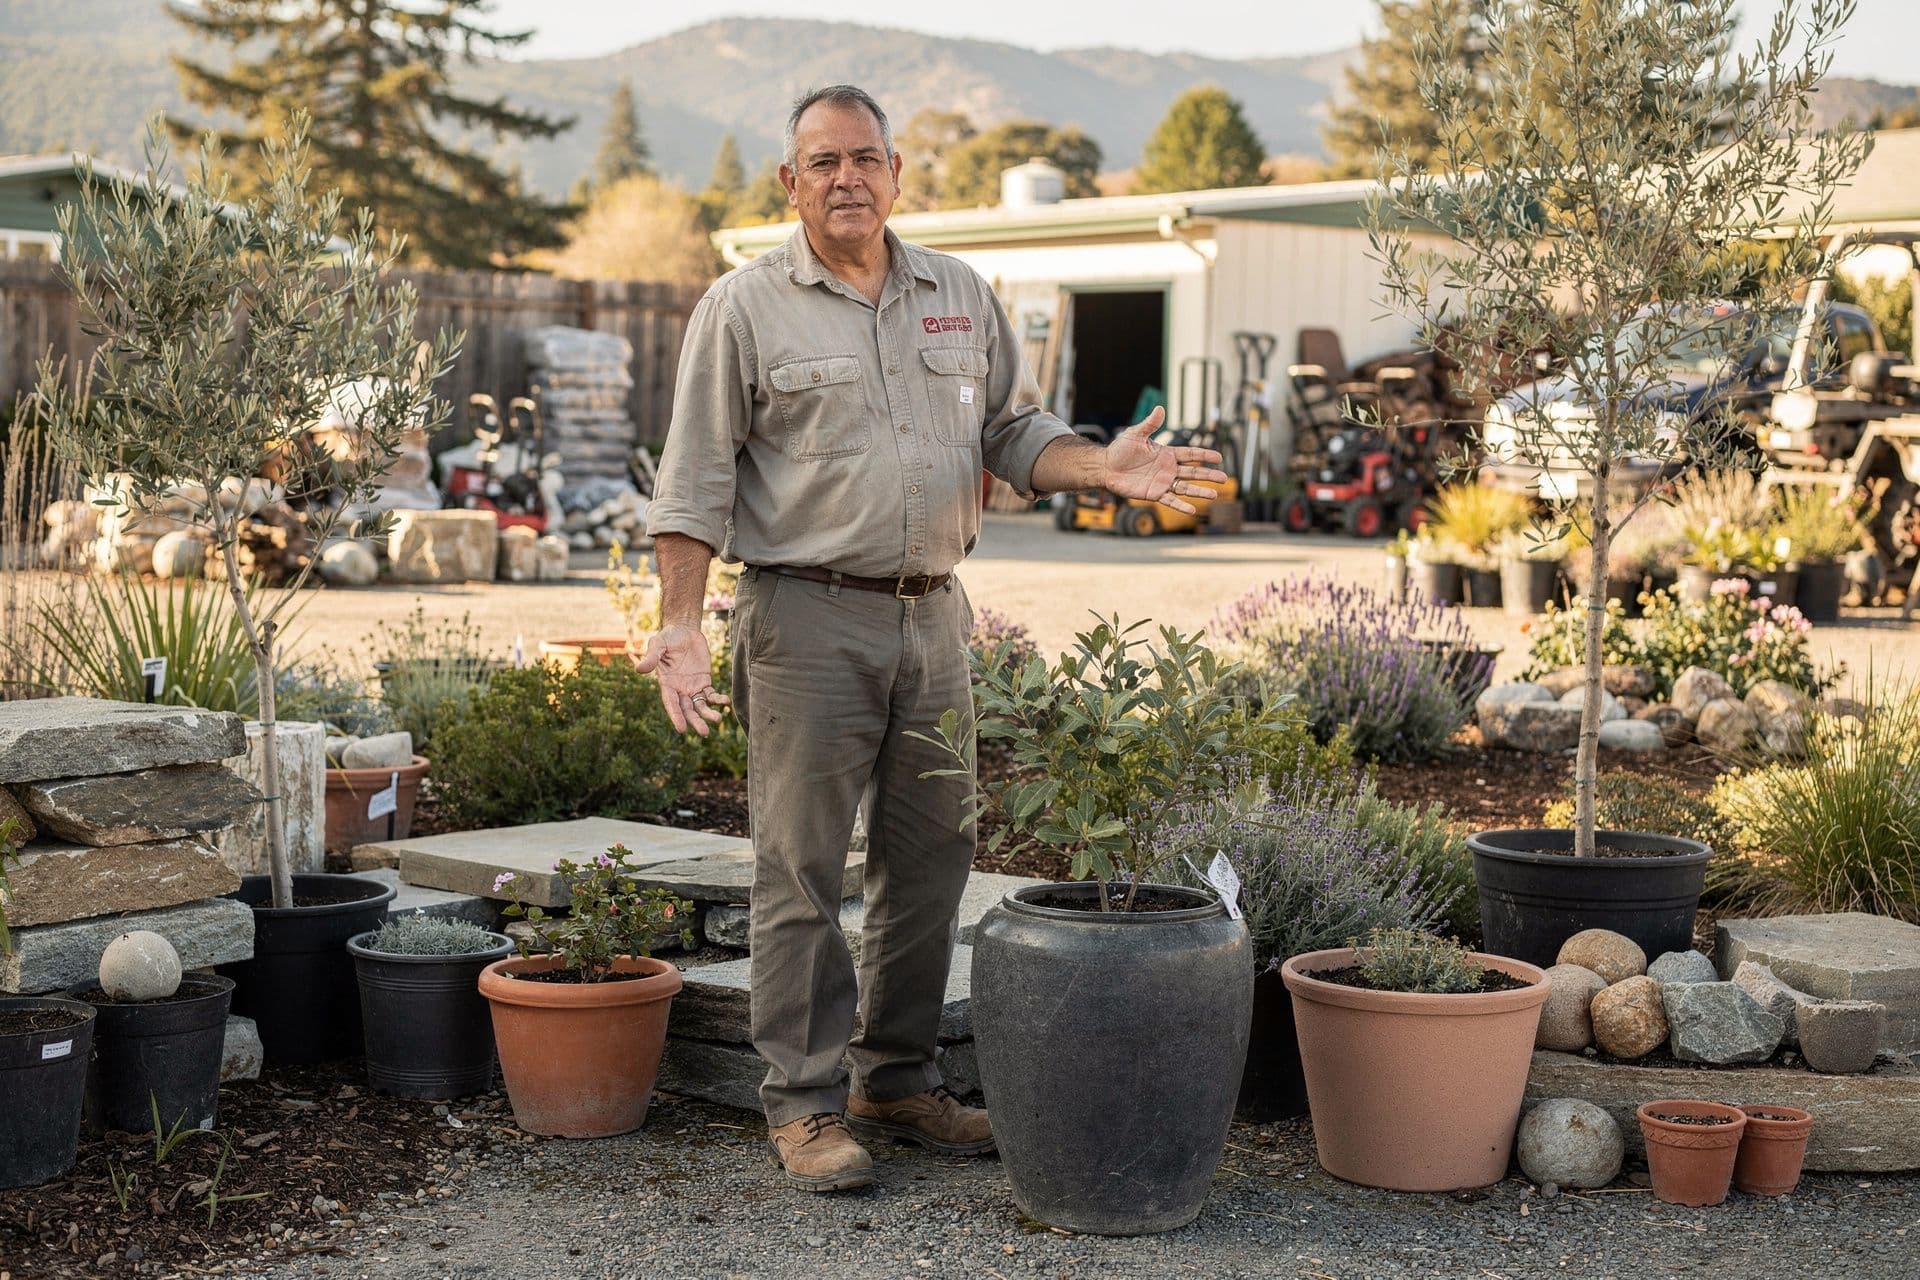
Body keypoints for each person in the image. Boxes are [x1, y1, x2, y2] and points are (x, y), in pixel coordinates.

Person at [638, 84, 1228, 1193]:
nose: (846, 178)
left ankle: (895, 1079)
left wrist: (1098, 463)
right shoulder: (744, 307)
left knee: (932, 859)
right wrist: (678, 620)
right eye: (823, 162)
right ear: (790, 181)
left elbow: (1010, 427)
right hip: (804, 614)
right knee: (801, 867)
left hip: (935, 615)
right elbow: (693, 483)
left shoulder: (957, 292)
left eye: (865, 158)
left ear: (898, 172)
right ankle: (806, 1105)